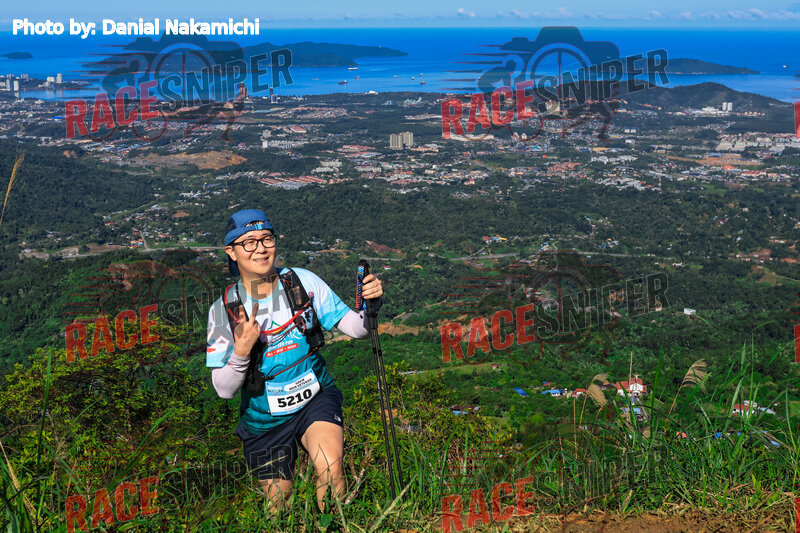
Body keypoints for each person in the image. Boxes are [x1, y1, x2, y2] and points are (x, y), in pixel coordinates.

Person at [205, 208, 382, 512]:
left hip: (316, 397)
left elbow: (357, 329)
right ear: (231, 252)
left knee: (332, 467)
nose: (261, 248)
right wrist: (241, 351)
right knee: (279, 506)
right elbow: (224, 389)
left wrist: (371, 307)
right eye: (249, 242)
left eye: (267, 239)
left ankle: (333, 524)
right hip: (264, 419)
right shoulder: (223, 311)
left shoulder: (302, 281)